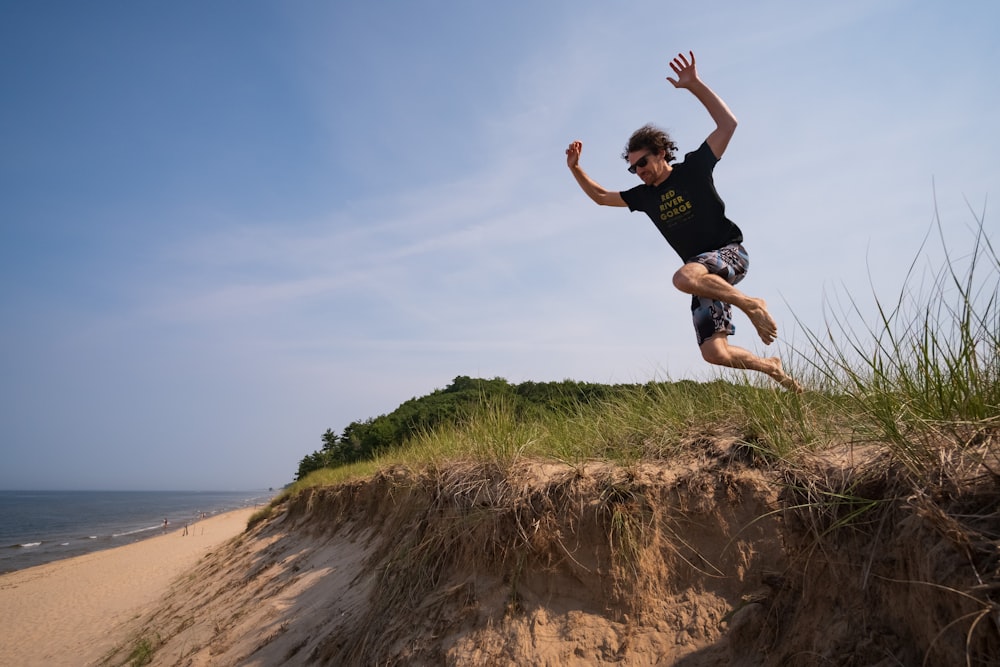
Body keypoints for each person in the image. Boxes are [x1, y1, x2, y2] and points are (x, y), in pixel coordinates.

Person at [565, 51, 801, 392]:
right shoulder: (644, 197)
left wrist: (694, 85)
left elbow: (727, 124)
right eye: (632, 168)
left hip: (729, 253)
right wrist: (576, 169)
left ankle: (754, 304)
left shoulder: (694, 169)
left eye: (642, 162)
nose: (638, 171)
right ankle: (771, 368)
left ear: (660, 152)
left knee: (683, 276)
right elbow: (602, 196)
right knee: (714, 353)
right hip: (702, 277)